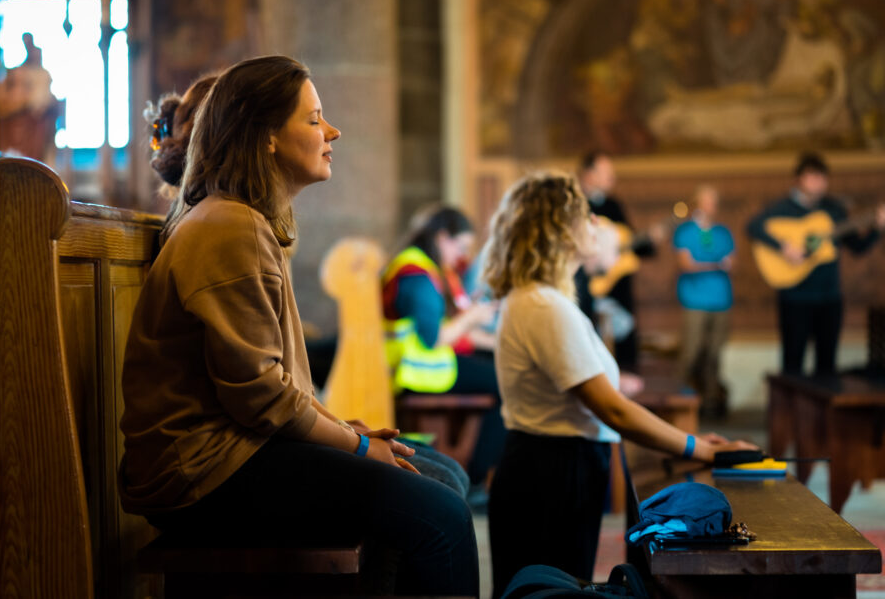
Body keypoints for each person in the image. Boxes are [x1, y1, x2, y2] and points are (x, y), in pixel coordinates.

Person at [119, 56, 478, 596]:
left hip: (237, 450)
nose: (332, 131)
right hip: (206, 474)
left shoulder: (245, 220)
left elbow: (277, 381)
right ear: (264, 137)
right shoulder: (228, 227)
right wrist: (355, 448)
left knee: (441, 478)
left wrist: (345, 431)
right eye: (313, 119)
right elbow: (260, 397)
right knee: (442, 519)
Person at [482, 170, 756, 596]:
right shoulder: (543, 305)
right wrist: (699, 448)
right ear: (560, 229)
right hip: (550, 472)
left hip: (557, 463)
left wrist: (693, 443)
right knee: (545, 593)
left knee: (557, 588)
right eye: (587, 216)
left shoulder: (545, 299)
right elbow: (610, 407)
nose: (597, 223)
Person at [381, 204, 505, 486]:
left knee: (502, 372)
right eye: (459, 246)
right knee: (507, 382)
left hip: (429, 365)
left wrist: (500, 342)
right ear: (441, 237)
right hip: (419, 370)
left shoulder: (425, 267)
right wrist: (472, 317)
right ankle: (477, 478)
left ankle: (477, 473)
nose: (462, 256)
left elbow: (450, 331)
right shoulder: (416, 272)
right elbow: (433, 337)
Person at [748, 152, 885, 375]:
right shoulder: (782, 207)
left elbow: (857, 247)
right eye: (812, 177)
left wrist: (877, 229)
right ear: (798, 179)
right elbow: (753, 227)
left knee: (827, 363)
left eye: (821, 177)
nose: (818, 182)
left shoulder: (834, 210)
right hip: (795, 297)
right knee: (793, 361)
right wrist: (784, 247)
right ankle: (790, 411)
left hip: (829, 297)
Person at [577, 151, 661, 371]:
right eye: (606, 173)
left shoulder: (614, 205)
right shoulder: (576, 204)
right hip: (587, 285)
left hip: (618, 287)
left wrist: (649, 241)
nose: (612, 178)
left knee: (625, 340)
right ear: (589, 174)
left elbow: (628, 241)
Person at [674, 185, 734, 418]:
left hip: (721, 300)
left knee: (714, 354)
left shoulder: (723, 232)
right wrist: (717, 264)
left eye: (715, 201)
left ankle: (710, 403)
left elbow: (733, 262)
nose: (712, 206)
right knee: (691, 352)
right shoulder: (685, 231)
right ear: (697, 203)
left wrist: (706, 264)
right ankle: (679, 401)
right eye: (707, 201)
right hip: (694, 299)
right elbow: (686, 264)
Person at [0, 32, 62, 165]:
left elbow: (45, 106)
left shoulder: (42, 75)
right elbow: (2, 108)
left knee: (36, 161)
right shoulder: (11, 81)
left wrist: (46, 106)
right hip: (15, 140)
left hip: (35, 132)